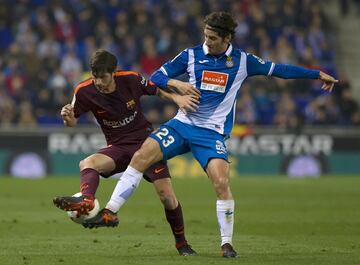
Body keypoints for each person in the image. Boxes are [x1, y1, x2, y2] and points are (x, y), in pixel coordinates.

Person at [84, 12, 338, 258]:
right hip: (181, 125)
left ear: (227, 38)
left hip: (211, 133)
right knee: (140, 157)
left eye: (213, 38)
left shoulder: (242, 61)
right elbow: (158, 76)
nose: (207, 41)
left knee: (221, 183)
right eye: (206, 36)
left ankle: (226, 244)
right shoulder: (191, 55)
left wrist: (316, 74)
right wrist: (179, 85)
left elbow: (280, 70)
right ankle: (110, 212)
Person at [53, 49, 200, 256]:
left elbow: (156, 90)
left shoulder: (130, 79)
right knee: (87, 163)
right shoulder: (84, 91)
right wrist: (67, 117)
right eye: (95, 76)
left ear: (114, 73)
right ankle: (87, 200)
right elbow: (71, 123)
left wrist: (176, 99)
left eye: (103, 77)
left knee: (167, 197)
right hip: (118, 146)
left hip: (147, 144)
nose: (98, 82)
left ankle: (182, 244)